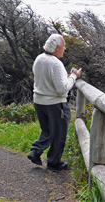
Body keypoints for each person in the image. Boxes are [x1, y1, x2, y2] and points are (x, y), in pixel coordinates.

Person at [27, 34, 82, 171]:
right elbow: (61, 89)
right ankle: (54, 162)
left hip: (39, 101)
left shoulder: (39, 58)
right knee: (59, 133)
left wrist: (65, 77)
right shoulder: (56, 63)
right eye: (63, 46)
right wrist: (74, 76)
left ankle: (35, 151)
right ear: (57, 47)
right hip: (55, 104)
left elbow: (45, 78)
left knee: (47, 130)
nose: (65, 48)